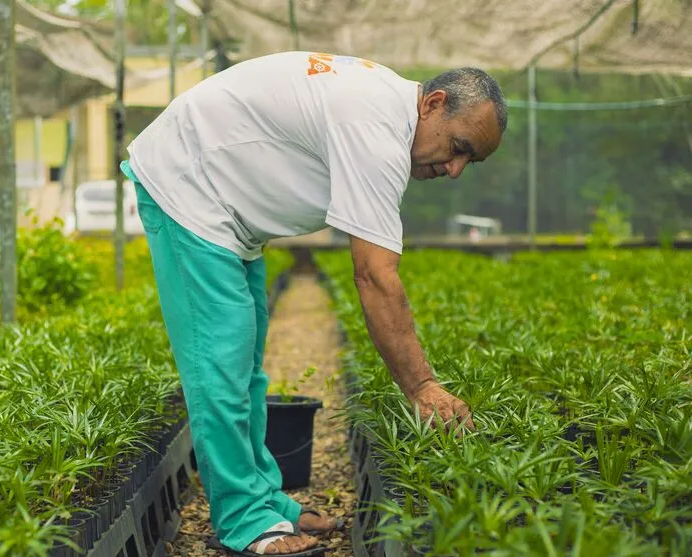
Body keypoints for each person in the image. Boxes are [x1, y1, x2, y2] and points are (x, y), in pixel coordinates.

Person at [120, 51, 507, 556]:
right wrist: (422, 385)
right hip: (188, 186)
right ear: (433, 104)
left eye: (468, 161)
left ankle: (261, 494)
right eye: (458, 147)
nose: (455, 169)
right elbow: (374, 275)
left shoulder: (386, 110)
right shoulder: (377, 129)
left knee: (245, 360)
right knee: (220, 363)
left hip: (225, 206)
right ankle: (243, 519)